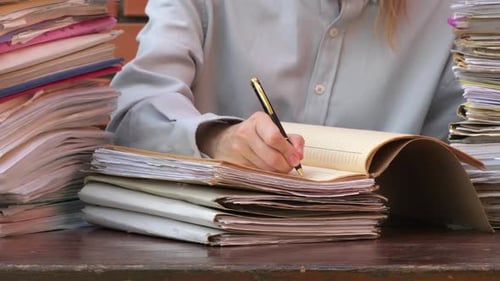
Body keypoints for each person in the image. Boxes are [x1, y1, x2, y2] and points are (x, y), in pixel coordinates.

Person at [108, 0, 461, 174]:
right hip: (213, 249)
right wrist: (216, 139)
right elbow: (135, 112)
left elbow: (468, 159)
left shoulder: (455, 12)